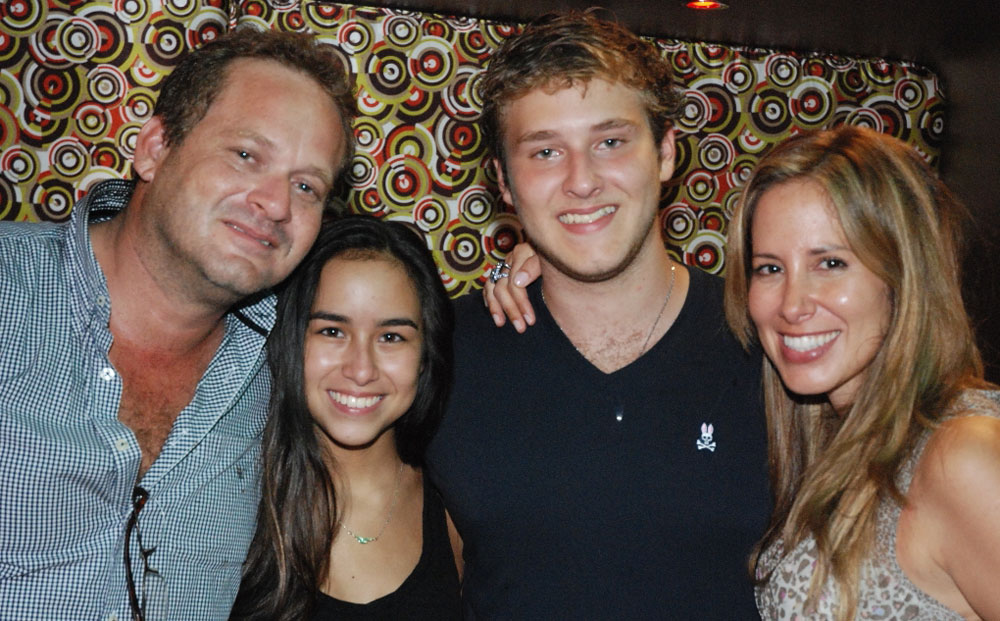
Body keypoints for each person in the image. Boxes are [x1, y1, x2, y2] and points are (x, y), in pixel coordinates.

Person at [0, 29, 356, 620]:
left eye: (306, 186)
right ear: (154, 148)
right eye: (246, 155)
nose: (275, 204)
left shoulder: (295, 363)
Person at [425, 11, 771, 618]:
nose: (582, 181)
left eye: (610, 142)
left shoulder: (770, 337)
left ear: (665, 153)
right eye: (545, 152)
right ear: (505, 182)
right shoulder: (441, 350)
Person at [723, 125, 1000, 619]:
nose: (791, 305)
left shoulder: (961, 455)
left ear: (903, 276)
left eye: (830, 262)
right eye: (769, 268)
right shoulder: (836, 438)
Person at [230, 215, 461, 620]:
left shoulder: (462, 504)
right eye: (332, 331)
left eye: (391, 337)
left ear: (425, 358)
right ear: (291, 339)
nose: (360, 369)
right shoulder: (225, 500)